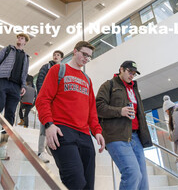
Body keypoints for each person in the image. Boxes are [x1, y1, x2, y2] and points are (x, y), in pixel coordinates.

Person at [36, 41, 105, 190]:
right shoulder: (58, 70)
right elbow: (43, 99)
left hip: (84, 135)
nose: (86, 59)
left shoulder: (87, 80)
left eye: (89, 57)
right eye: (84, 54)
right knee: (75, 181)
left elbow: (92, 110)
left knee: (88, 186)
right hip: (62, 131)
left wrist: (97, 131)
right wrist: (48, 124)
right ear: (75, 51)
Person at [96, 61, 152, 190]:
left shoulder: (134, 89)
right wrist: (119, 111)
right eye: (129, 71)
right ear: (121, 69)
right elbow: (98, 107)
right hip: (116, 136)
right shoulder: (109, 85)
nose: (132, 75)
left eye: (134, 73)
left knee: (143, 181)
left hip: (136, 137)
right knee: (132, 173)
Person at [0, 33, 30, 160]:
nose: (19, 39)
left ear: (25, 42)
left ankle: (3, 145)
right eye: (18, 37)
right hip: (2, 81)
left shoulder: (26, 56)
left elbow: (24, 73)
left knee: (10, 115)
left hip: (16, 87)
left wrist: (23, 86)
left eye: (22, 38)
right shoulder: (8, 49)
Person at [36, 50, 64, 163]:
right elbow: (40, 81)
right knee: (44, 125)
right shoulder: (46, 67)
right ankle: (40, 151)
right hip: (46, 101)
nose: (55, 56)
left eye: (58, 55)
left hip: (57, 103)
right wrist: (42, 98)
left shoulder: (62, 69)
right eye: (54, 55)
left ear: (62, 58)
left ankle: (48, 145)